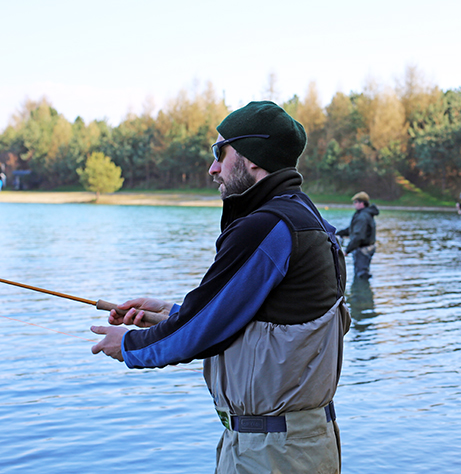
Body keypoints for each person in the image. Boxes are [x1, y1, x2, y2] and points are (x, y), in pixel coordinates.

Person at [91, 101, 351, 473]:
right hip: (298, 444)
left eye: (220, 152)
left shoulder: (267, 226)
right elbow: (254, 321)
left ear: (253, 158)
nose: (213, 167)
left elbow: (201, 331)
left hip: (273, 453)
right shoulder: (304, 216)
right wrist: (168, 313)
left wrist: (130, 345)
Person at [336, 191, 379, 280]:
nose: (354, 204)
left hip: (363, 250)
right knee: (362, 272)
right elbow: (354, 230)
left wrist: (347, 250)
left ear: (362, 203)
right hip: (368, 247)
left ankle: (361, 292)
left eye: (355, 202)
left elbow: (359, 236)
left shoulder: (362, 216)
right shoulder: (366, 214)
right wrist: (339, 233)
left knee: (361, 274)